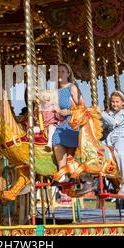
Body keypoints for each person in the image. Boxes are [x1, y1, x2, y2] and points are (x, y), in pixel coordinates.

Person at [51, 63, 94, 194]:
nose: (60, 74)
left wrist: (68, 112)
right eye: (58, 71)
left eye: (63, 71)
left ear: (68, 74)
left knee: (59, 135)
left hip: (74, 121)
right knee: (55, 138)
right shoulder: (54, 91)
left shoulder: (72, 87)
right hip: (61, 122)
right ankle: (62, 171)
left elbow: (82, 107)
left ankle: (84, 175)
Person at [100, 90, 124, 196]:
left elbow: (113, 123)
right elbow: (103, 126)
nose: (114, 104)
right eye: (113, 102)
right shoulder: (109, 113)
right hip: (108, 140)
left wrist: (101, 113)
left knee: (120, 153)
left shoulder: (123, 113)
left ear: (123, 103)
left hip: (121, 139)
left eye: (117, 102)